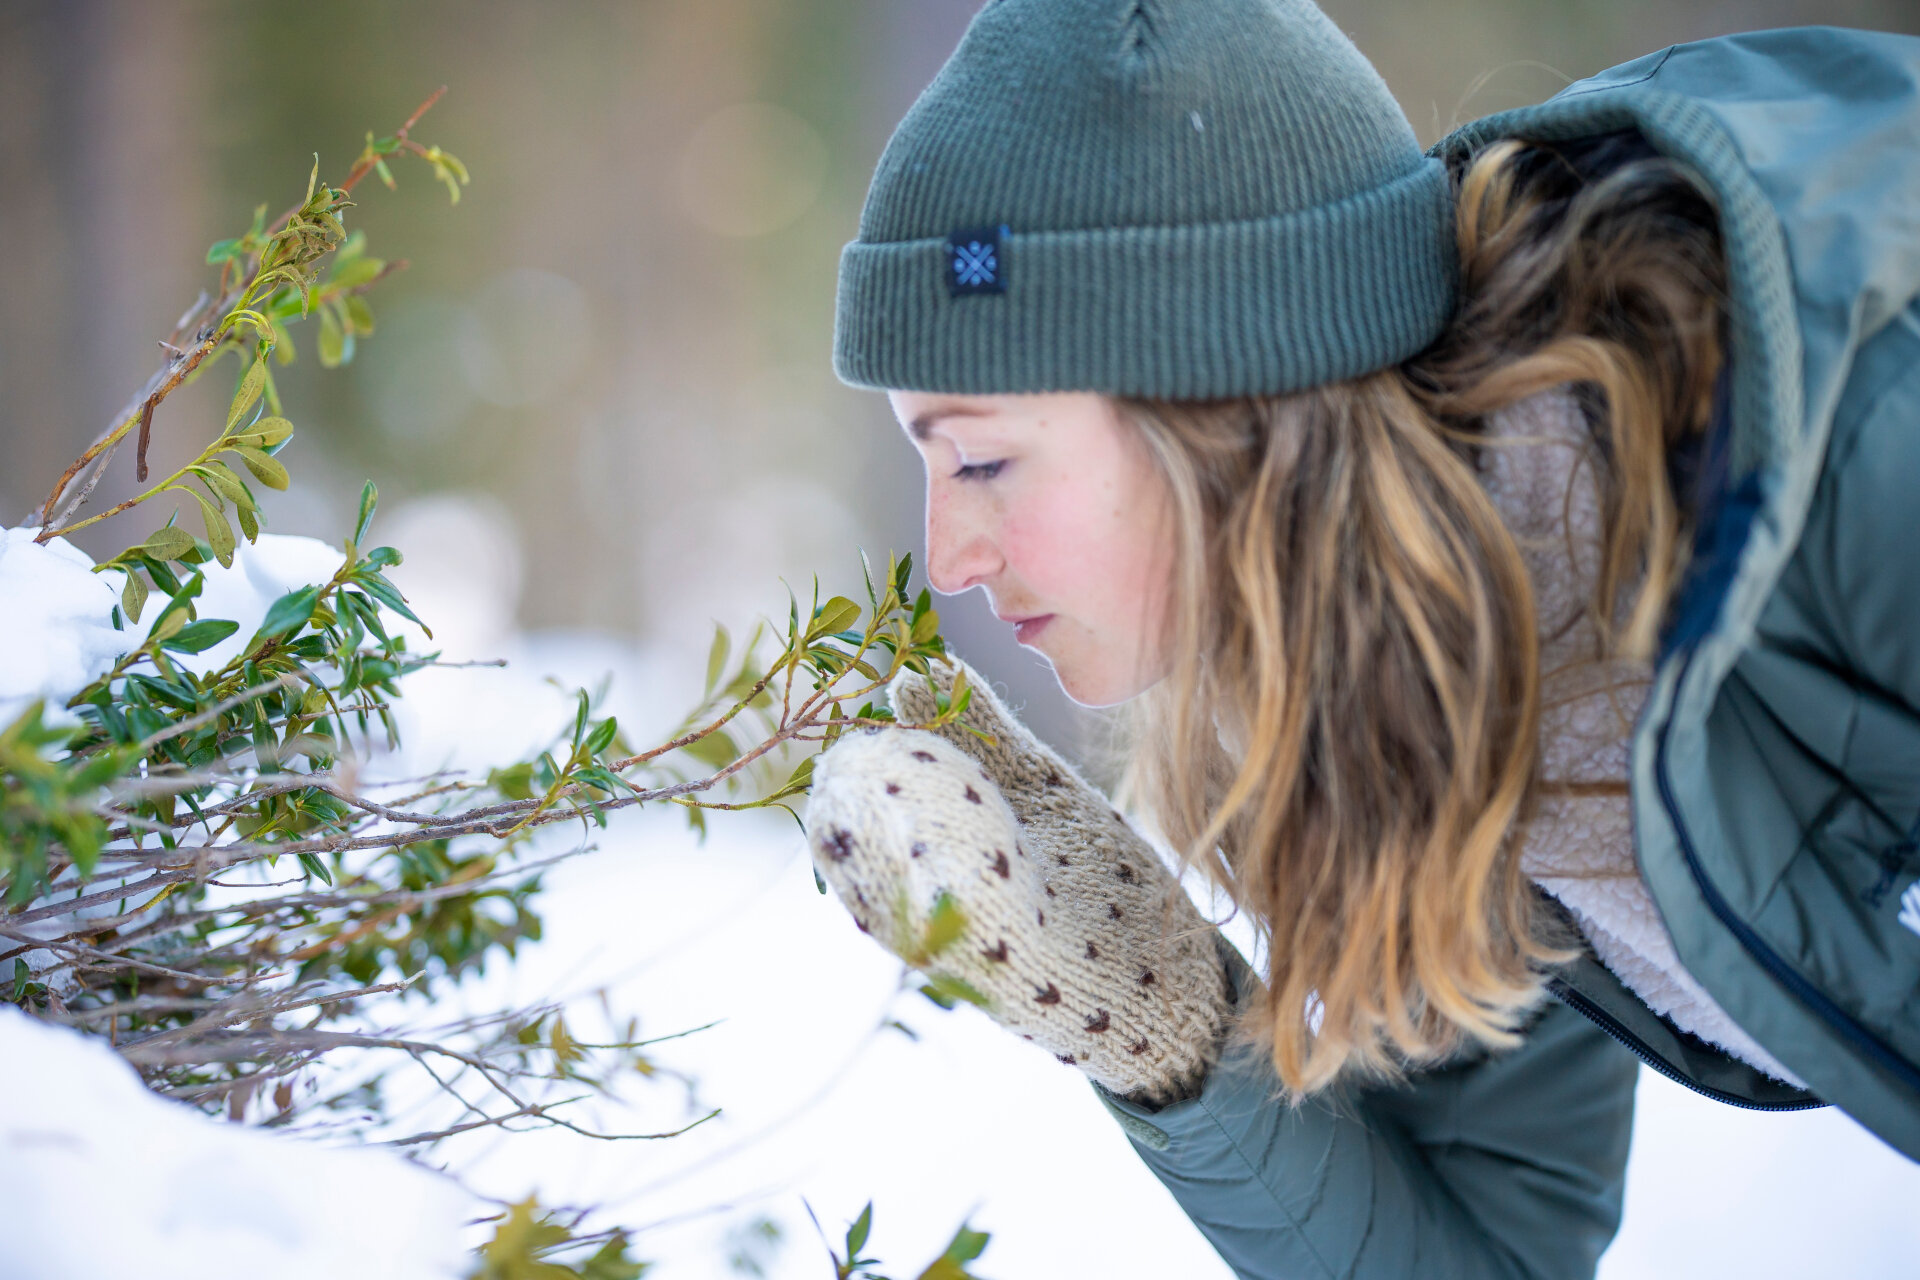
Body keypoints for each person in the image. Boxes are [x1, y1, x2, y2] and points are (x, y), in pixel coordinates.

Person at [804, 2, 1920, 1275]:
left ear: (1219, 401)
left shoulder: (1846, 440)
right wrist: (1162, 1017)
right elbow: (1491, 1246)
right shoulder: (1447, 678)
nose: (949, 554)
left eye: (986, 458)